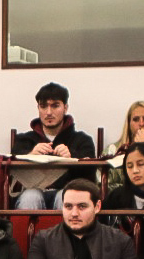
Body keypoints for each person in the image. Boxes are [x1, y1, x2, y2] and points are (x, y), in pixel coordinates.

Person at [12, 81, 101, 210]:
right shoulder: (24, 140)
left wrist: (71, 157)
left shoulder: (82, 140)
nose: (49, 112)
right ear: (38, 108)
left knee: (65, 195)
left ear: (65, 108)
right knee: (31, 196)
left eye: (55, 106)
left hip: (67, 193)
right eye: (43, 106)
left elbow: (90, 174)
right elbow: (12, 170)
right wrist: (30, 155)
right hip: (33, 193)